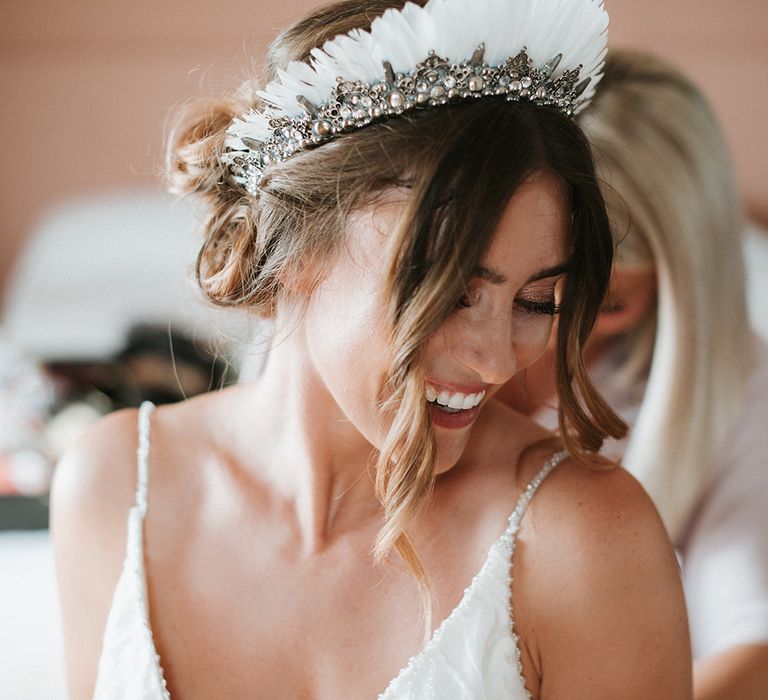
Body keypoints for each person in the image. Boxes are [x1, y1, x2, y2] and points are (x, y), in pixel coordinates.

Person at [51, 2, 692, 698]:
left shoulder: (583, 540)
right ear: (295, 248)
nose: (498, 362)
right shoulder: (114, 487)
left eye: (536, 302)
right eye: (450, 292)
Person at [499, 49, 768, 699]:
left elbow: (750, 647)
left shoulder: (739, 391)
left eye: (612, 303)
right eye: (541, 295)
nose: (561, 337)